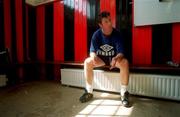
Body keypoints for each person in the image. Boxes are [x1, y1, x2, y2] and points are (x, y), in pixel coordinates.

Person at [79, 11, 130, 107]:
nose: (110, 23)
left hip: (113, 59)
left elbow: (121, 53)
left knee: (125, 62)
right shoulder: (96, 35)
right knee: (87, 62)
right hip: (101, 60)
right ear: (100, 24)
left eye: (110, 20)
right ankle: (89, 92)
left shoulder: (117, 34)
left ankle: (124, 93)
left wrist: (116, 58)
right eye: (106, 21)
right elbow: (92, 51)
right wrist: (93, 56)